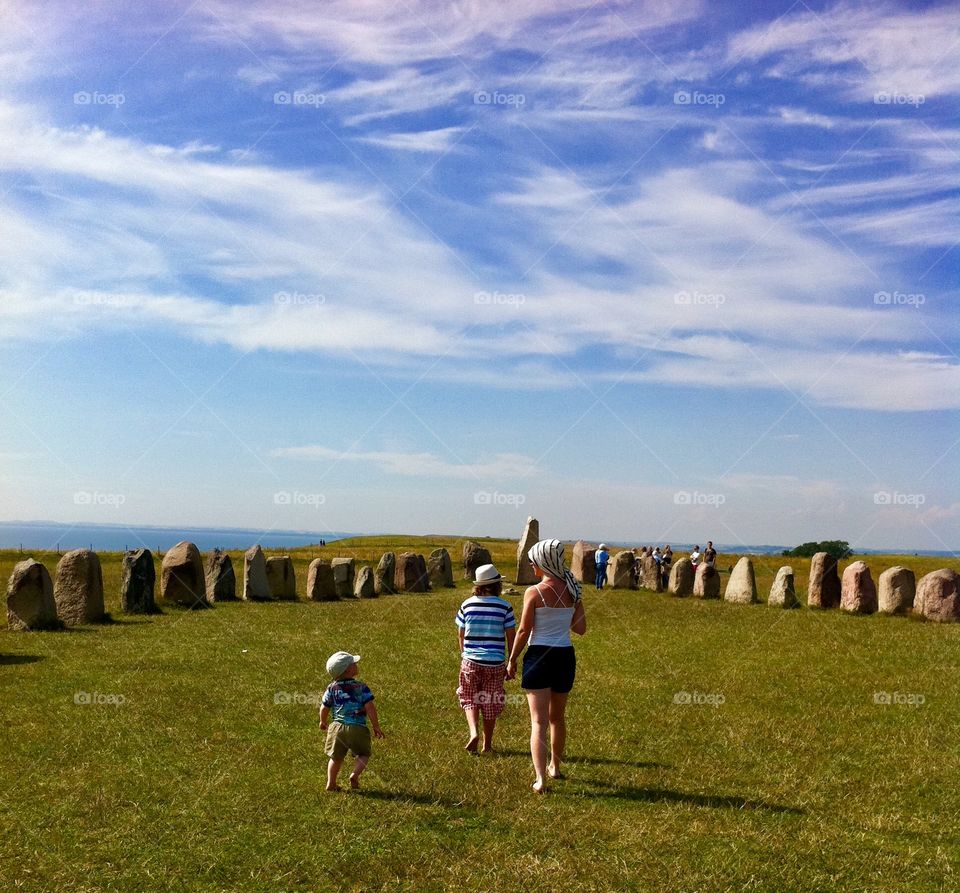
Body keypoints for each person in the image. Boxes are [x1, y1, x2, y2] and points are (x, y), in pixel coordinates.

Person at [506, 539, 587, 793]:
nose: (531, 565)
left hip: (539, 655)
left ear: (543, 562)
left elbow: (523, 630)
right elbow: (581, 629)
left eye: (533, 561)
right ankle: (555, 767)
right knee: (557, 718)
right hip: (564, 656)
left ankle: (540, 778)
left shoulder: (534, 592)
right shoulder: (574, 589)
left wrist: (512, 659)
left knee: (538, 722)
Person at [455, 563, 517, 754]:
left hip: (470, 661)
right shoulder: (505, 607)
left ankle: (474, 732)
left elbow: (461, 634)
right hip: (495, 663)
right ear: (497, 585)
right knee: (490, 702)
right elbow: (511, 636)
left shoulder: (466, 604)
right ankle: (487, 745)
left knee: (469, 698)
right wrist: (511, 662)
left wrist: (464, 654)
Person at [319, 651, 385, 791]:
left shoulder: (331, 688)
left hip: (337, 728)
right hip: (357, 727)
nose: (356, 665)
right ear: (349, 670)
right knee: (364, 754)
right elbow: (370, 707)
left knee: (335, 757)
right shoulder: (361, 687)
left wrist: (322, 721)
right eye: (354, 663)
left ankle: (331, 783)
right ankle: (354, 775)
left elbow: (324, 707)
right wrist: (376, 726)